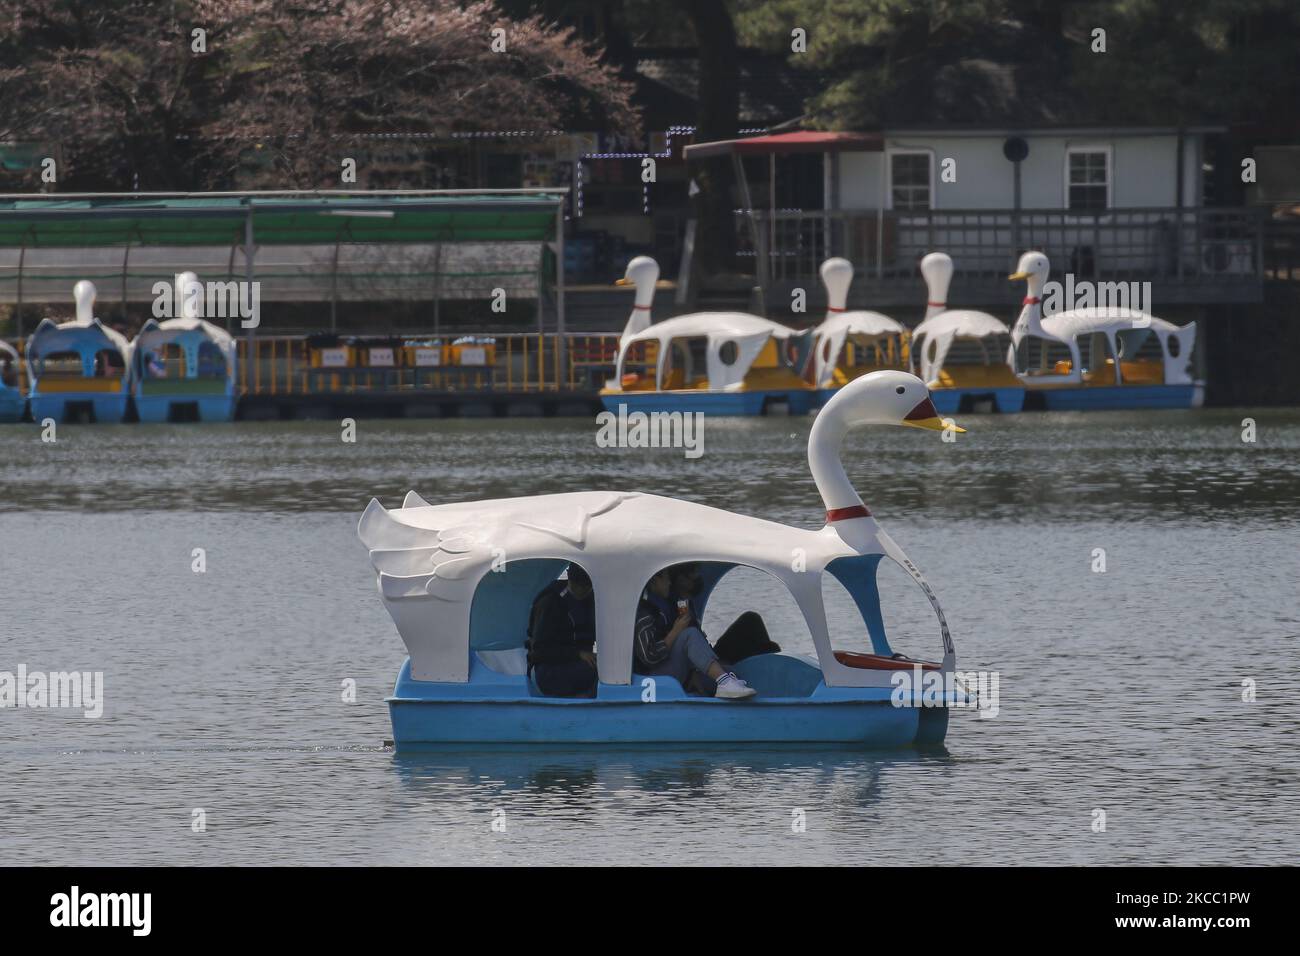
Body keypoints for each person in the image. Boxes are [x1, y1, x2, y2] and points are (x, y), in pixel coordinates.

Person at [634, 568, 756, 699]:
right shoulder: (644, 614)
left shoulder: (668, 606)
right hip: (652, 678)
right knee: (689, 635)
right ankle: (724, 682)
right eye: (666, 579)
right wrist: (676, 631)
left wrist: (694, 671)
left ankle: (727, 683)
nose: (669, 583)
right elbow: (649, 656)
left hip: (678, 670)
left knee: (733, 672)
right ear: (654, 580)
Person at [669, 563, 781, 668]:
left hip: (709, 653)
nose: (697, 578)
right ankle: (766, 664)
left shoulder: (687, 601)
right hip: (704, 661)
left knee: (751, 619)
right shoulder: (673, 606)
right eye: (693, 575)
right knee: (765, 649)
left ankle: (767, 659)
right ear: (680, 579)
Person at [526, 564, 598, 697]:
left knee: (606, 670)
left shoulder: (593, 598)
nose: (582, 590)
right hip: (548, 670)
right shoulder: (549, 603)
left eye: (587, 587)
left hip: (580, 662)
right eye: (578, 585)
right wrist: (578, 654)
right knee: (596, 673)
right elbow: (540, 651)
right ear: (570, 580)